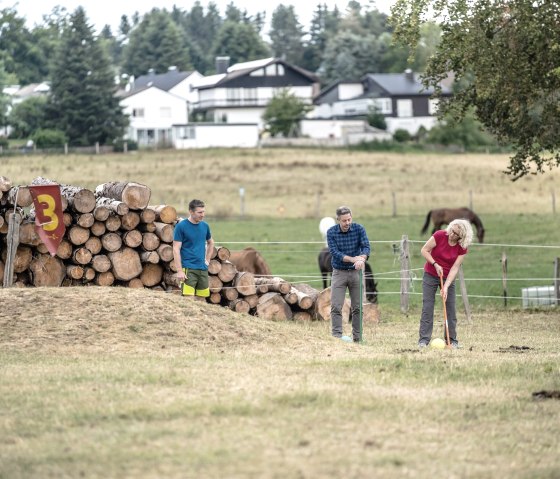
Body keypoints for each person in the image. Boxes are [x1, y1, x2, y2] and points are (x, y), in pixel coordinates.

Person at [418, 219, 473, 349]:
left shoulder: (462, 247)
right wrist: (435, 264)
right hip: (431, 274)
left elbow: (455, 268)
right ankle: (423, 340)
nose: (452, 234)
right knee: (428, 307)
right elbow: (424, 250)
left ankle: (452, 341)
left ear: (462, 237)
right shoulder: (439, 235)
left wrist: (446, 286)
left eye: (456, 234)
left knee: (450, 309)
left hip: (448, 277)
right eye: (452, 230)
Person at [326, 206, 371, 343]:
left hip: (356, 273)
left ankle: (357, 338)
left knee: (357, 307)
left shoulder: (359, 229)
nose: (347, 223)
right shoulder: (331, 233)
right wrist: (353, 259)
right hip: (339, 273)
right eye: (344, 220)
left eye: (349, 219)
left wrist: (362, 258)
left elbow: (366, 246)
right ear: (338, 220)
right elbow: (335, 253)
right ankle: (337, 336)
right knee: (336, 306)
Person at [173, 199, 215, 300]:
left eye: (203, 212)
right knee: (189, 300)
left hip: (203, 268)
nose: (202, 215)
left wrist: (208, 260)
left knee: (201, 300)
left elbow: (211, 242)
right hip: (188, 269)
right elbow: (176, 249)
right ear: (191, 212)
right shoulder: (181, 227)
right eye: (199, 212)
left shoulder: (205, 226)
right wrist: (179, 271)